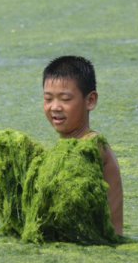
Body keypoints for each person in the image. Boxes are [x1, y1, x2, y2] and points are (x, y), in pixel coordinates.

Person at [42, 55, 124, 235]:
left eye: (65, 99)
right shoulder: (64, 149)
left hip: (102, 247)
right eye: (48, 99)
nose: (55, 107)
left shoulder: (92, 146)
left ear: (90, 100)